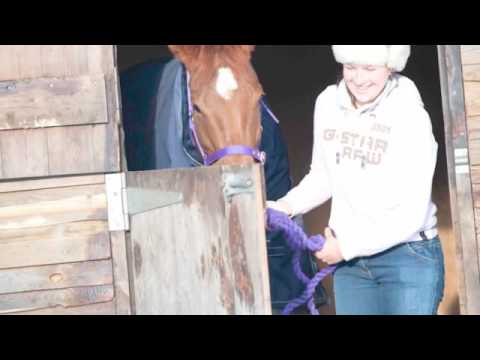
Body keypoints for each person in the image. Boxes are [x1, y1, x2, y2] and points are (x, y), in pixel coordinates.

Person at [267, 45, 445, 315]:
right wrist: (286, 206)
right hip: (352, 267)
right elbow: (323, 176)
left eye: (370, 68)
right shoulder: (327, 103)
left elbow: (412, 213)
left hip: (407, 258)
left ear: (390, 66)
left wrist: (345, 247)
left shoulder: (410, 116)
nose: (359, 79)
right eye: (350, 67)